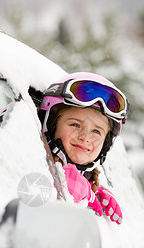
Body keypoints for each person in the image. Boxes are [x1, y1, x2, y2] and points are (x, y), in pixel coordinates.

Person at [38, 72, 129, 225]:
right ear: (51, 126)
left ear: (106, 143)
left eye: (96, 131)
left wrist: (94, 192)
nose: (85, 137)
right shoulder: (32, 160)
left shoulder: (91, 180)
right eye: (75, 124)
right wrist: (65, 183)